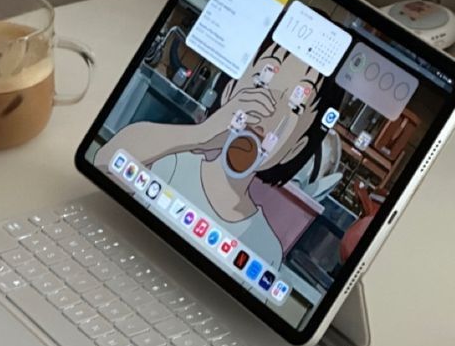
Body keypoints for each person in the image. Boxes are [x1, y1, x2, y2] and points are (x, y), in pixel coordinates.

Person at [95, 40, 341, 267]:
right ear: (230, 89)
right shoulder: (168, 160)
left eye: (295, 105)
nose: (269, 108)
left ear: (296, 148)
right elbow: (104, 162)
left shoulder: (265, 250)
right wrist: (200, 133)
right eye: (262, 81)